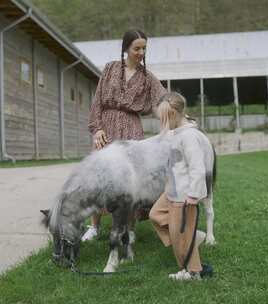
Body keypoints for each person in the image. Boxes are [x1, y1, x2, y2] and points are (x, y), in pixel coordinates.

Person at [82, 29, 167, 242]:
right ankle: (94, 227)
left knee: (131, 181)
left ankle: (129, 229)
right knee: (98, 177)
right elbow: (97, 101)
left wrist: (181, 120)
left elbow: (165, 100)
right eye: (136, 48)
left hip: (132, 131)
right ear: (126, 48)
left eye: (144, 49)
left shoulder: (148, 78)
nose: (141, 52)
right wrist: (97, 129)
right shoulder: (110, 69)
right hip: (107, 130)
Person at [149, 92, 213, 281]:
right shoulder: (177, 133)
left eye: (163, 119)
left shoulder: (189, 137)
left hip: (184, 196)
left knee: (181, 233)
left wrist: (193, 195)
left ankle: (192, 272)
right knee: (155, 215)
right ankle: (193, 237)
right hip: (171, 192)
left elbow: (198, 168)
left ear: (174, 115)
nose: (162, 124)